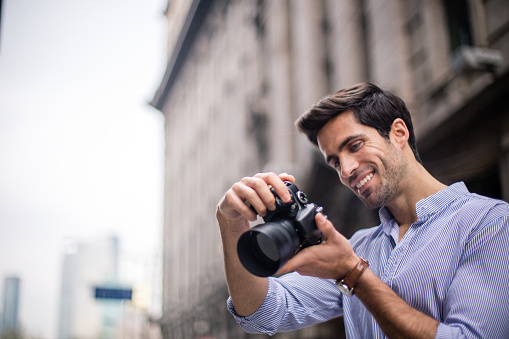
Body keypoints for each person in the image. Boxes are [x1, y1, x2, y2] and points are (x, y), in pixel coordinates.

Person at [215, 82, 509, 338]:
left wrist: (353, 274)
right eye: (334, 161)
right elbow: (260, 314)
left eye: (354, 146)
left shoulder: (489, 223)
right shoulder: (358, 247)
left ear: (398, 132)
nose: (346, 170)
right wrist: (231, 222)